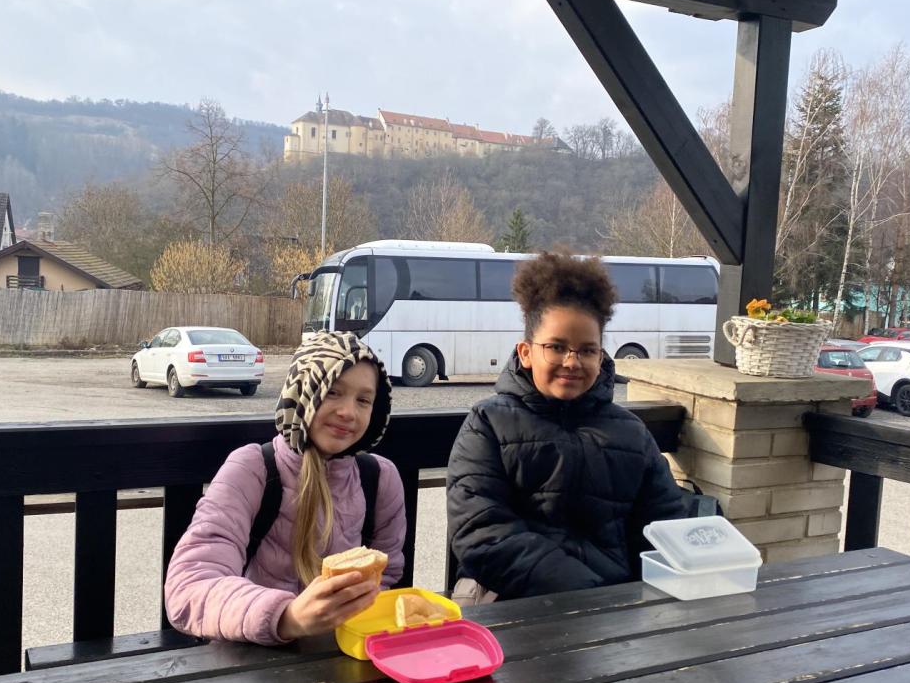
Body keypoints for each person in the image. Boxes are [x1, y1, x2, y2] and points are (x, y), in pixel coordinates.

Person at [446, 251, 686, 601]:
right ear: (526, 352)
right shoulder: (488, 423)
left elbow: (665, 525)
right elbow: (481, 533)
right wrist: (584, 595)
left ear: (601, 356)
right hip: (512, 603)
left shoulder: (631, 433)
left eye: (587, 350)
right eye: (556, 347)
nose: (572, 362)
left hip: (615, 609)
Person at [164, 331, 406, 645]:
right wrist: (288, 617)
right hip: (253, 656)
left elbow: (386, 574)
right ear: (301, 391)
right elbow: (189, 587)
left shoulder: (380, 477)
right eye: (332, 392)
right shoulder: (253, 468)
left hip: (344, 653)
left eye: (363, 400)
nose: (348, 412)